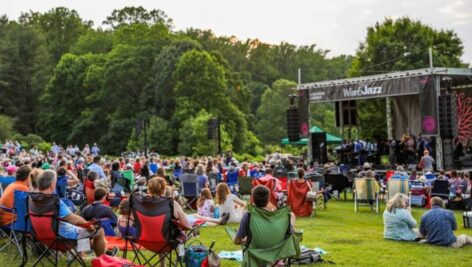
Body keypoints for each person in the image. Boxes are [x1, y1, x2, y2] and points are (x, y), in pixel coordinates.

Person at [36, 170, 108, 256]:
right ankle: (103, 259)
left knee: (81, 229)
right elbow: (75, 220)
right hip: (60, 238)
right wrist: (90, 226)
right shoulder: (55, 202)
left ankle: (82, 255)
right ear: (52, 184)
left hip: (41, 236)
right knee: (98, 231)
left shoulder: (31, 200)